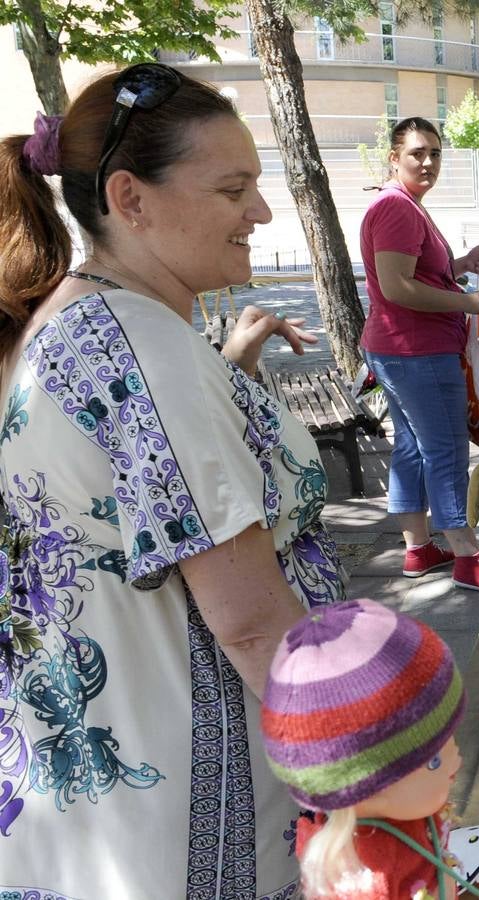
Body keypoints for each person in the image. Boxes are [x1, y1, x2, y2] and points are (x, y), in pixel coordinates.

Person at [0, 64, 345, 897]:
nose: (260, 212)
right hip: (197, 822)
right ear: (131, 198)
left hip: (93, 817)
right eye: (233, 189)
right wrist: (365, 779)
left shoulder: (59, 321)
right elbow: (257, 628)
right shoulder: (151, 358)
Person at [360, 116, 479, 592]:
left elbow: (410, 275)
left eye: (435, 153)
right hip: (416, 351)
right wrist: (468, 301)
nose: (427, 162)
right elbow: (398, 288)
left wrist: (459, 265)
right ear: (394, 157)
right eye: (417, 153)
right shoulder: (398, 209)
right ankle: (466, 555)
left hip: (399, 349)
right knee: (444, 447)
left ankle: (419, 549)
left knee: (412, 446)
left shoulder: (404, 205)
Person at [261, 599, 467, 898]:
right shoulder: (365, 878)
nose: (456, 760)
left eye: (451, 737)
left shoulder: (406, 811)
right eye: (433, 760)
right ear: (365, 788)